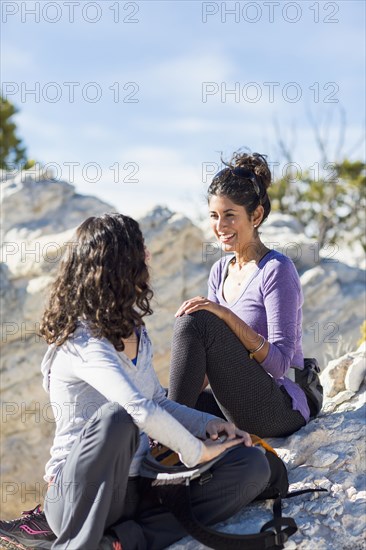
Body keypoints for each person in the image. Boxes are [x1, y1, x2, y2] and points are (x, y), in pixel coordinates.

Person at [0, 213, 271, 550]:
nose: (149, 256)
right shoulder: (80, 341)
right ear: (117, 264)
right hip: (80, 495)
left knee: (251, 465)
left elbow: (156, 399)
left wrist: (212, 425)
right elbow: (137, 408)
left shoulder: (135, 330)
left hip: (137, 483)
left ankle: (119, 543)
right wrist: (196, 451)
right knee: (117, 419)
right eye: (140, 249)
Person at [168, 151, 311, 438]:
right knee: (155, 404)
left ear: (255, 215)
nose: (220, 227)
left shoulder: (276, 270)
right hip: (238, 401)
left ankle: (167, 439)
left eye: (230, 216)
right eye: (214, 216)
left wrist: (223, 314)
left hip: (279, 408)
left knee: (198, 320)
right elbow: (206, 363)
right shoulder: (219, 271)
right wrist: (175, 406)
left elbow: (280, 364)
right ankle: (167, 435)